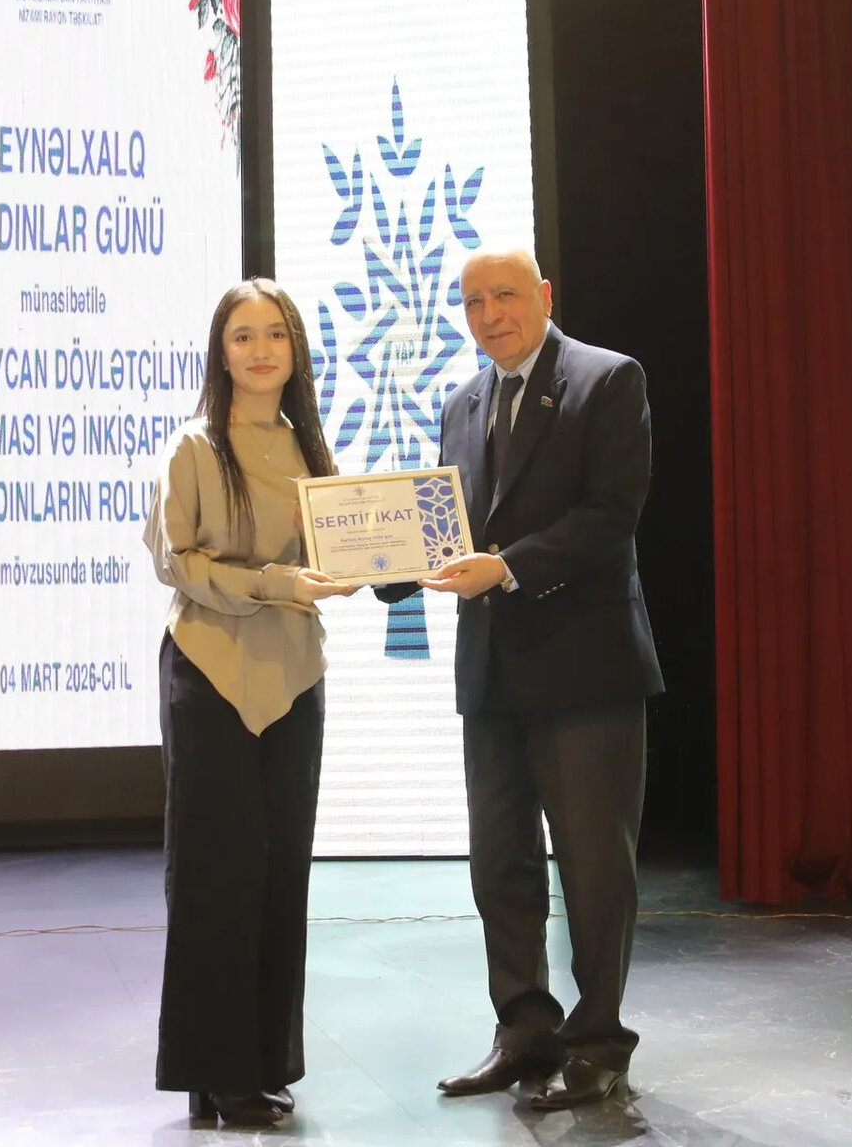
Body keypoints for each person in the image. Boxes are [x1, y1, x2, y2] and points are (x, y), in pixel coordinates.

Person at [410, 247, 663, 1110]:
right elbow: (444, 533)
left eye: (505, 295)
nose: (490, 315)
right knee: (500, 864)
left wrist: (508, 567)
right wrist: (379, 562)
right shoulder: (460, 403)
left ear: (544, 294)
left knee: (593, 871)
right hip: (491, 674)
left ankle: (598, 1042)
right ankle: (524, 1028)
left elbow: (611, 513)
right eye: (473, 302)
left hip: (586, 673)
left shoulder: (606, 379)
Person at [142, 277, 357, 1129]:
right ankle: (215, 1073)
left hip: (295, 678)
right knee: (215, 876)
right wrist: (276, 582)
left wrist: (373, 564)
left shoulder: (309, 445)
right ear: (220, 352)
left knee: (279, 872)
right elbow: (178, 563)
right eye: (242, 336)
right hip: (212, 676)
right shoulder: (192, 447)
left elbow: (336, 550)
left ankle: (259, 1063)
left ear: (295, 349)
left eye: (275, 334)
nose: (260, 349)